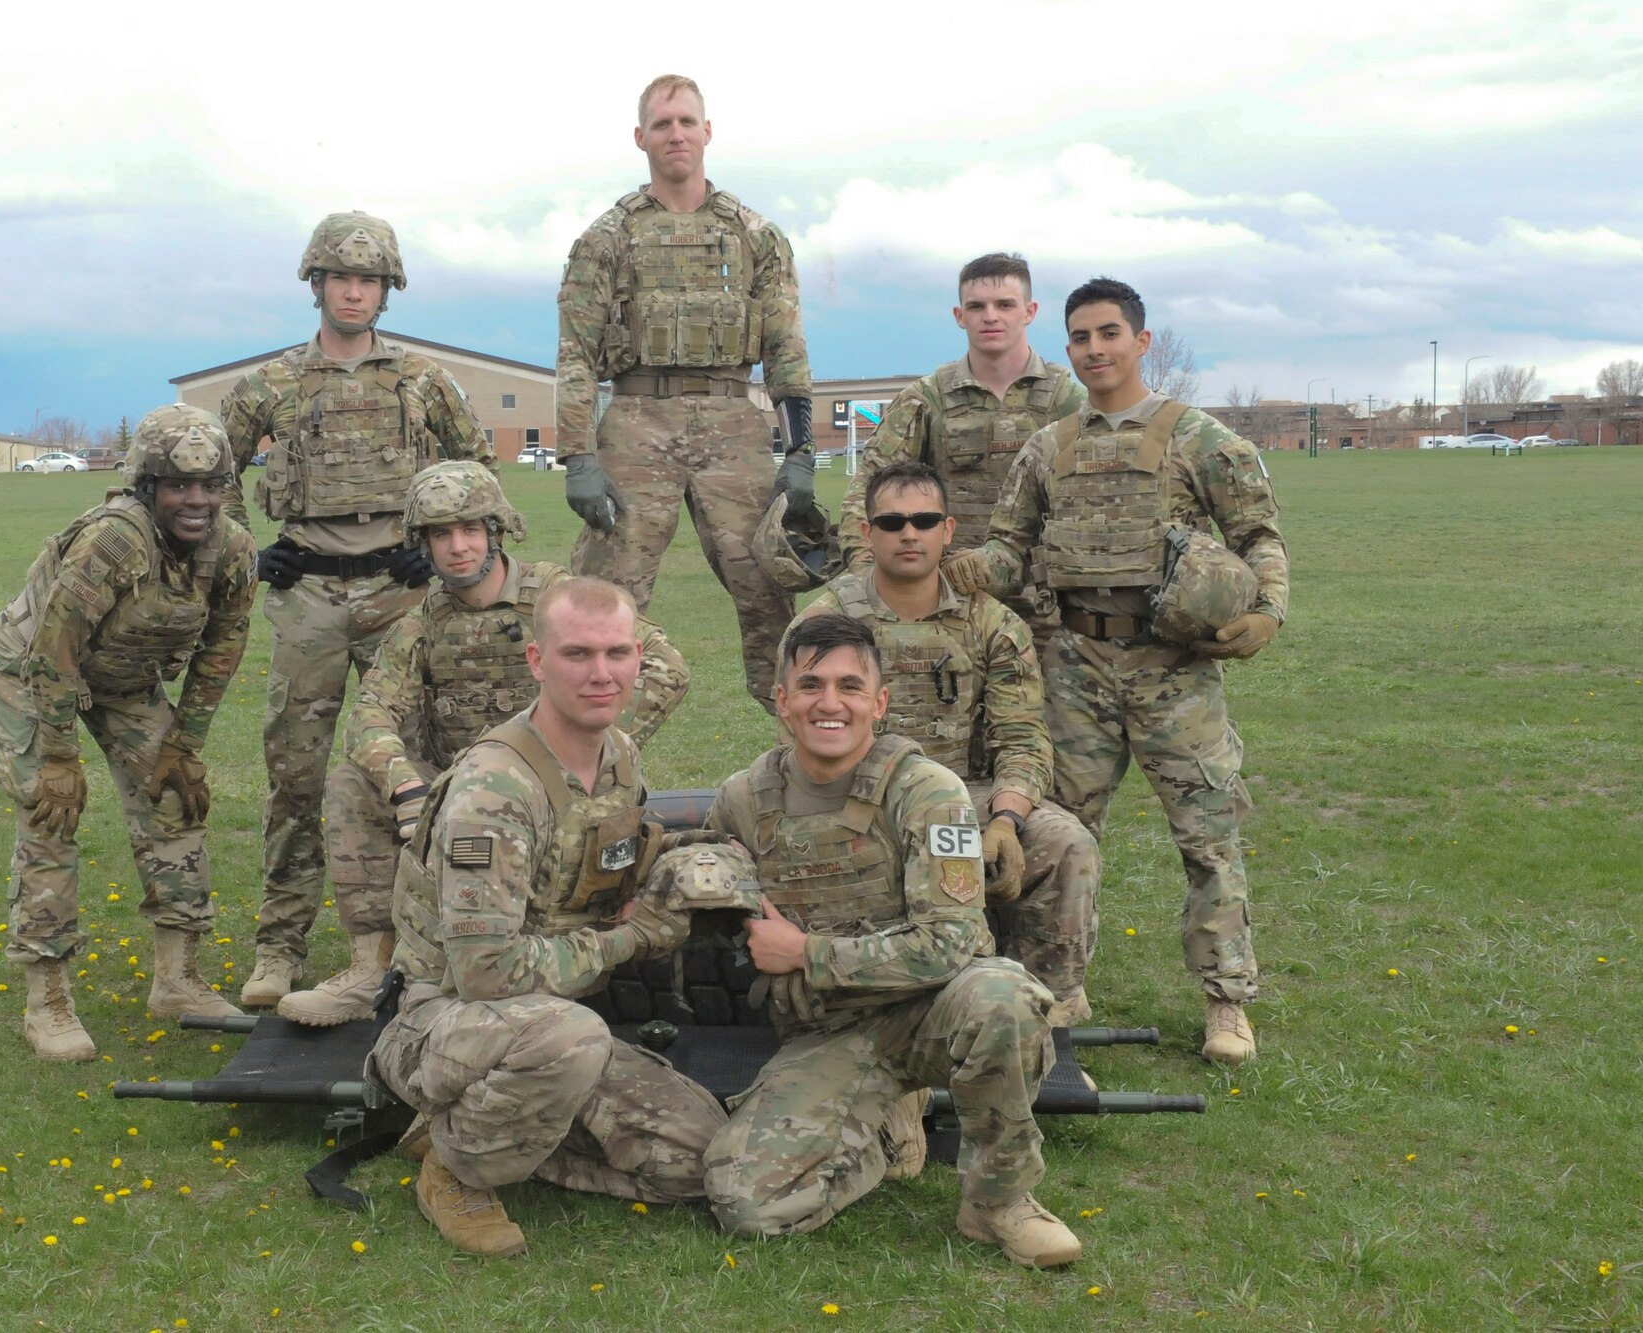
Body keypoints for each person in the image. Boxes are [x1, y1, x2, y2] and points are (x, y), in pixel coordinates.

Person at [945, 276, 1289, 1065]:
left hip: (1173, 668)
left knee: (1208, 834)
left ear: (1141, 340)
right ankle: (1055, 987)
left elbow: (1258, 533)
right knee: (1057, 835)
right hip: (1074, 664)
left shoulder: (1197, 438)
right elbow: (1009, 548)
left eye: (1108, 334)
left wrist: (1267, 610)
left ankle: (1226, 1000)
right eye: (1080, 337)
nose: (1094, 350)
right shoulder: (1051, 447)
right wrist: (948, 569)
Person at [700, 614, 1080, 1268]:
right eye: (810, 683)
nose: (829, 702)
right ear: (781, 698)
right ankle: (875, 1129)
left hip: (931, 1013)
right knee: (750, 1205)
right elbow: (710, 881)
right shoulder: (744, 798)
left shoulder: (930, 792)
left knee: (1004, 996)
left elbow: (953, 942)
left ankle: (999, 1199)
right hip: (827, 1033)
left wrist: (806, 953)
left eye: (850, 685)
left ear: (878, 702)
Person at [367, 577, 725, 1258]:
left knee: (699, 1158)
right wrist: (628, 938)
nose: (602, 673)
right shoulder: (495, 790)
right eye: (578, 654)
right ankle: (457, 1167)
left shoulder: (617, 755)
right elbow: (488, 973)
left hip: (548, 1014)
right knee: (570, 1038)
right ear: (537, 661)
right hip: (444, 1017)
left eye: (619, 653)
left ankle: (488, 1128)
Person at [277, 461, 692, 1024]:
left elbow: (664, 665)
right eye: (441, 534)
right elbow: (371, 711)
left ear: (496, 532)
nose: (458, 547)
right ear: (422, 543)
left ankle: (554, 947)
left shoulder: (553, 599)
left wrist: (597, 746)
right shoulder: (425, 621)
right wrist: (404, 784)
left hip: (557, 782)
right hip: (463, 791)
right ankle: (374, 967)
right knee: (353, 781)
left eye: (471, 530)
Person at [217, 211, 494, 1008]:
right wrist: (247, 550)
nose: (352, 290)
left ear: (387, 290)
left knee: (408, 764)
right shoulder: (273, 383)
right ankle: (279, 946)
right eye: (339, 276)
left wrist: (435, 539)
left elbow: (477, 468)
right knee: (295, 773)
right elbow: (208, 469)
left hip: (401, 593)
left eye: (368, 279)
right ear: (316, 284)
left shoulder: (421, 379)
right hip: (308, 594)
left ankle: (413, 939)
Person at [0, 405, 255, 1061]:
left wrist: (184, 747)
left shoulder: (234, 551)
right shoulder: (114, 540)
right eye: (179, 485)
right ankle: (46, 998)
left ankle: (178, 979)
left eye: (210, 485)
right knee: (51, 816)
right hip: (36, 672)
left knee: (176, 802)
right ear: (148, 486)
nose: (196, 500)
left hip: (126, 675)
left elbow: (222, 649)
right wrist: (58, 756)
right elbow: (53, 651)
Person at [793, 460, 1098, 1022]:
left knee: (1064, 843)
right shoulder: (826, 621)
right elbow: (808, 738)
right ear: (867, 534)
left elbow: (1022, 738)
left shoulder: (993, 625)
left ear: (948, 531)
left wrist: (1006, 820)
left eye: (925, 520)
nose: (909, 534)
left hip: (968, 801)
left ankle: (1047, 1012)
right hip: (859, 803)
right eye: (892, 522)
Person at [556, 73, 816, 711]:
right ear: (641, 137)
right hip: (637, 421)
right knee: (606, 603)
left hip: (733, 423)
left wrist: (801, 450)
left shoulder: (756, 235)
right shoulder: (607, 237)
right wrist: (579, 456)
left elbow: (786, 346)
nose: (676, 134)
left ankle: (809, 765)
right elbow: (576, 353)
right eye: (663, 123)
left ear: (708, 132)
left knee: (770, 597)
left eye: (687, 122)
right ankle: (589, 773)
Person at [837, 252, 1085, 645]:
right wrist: (865, 579)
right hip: (948, 604)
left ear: (1030, 311)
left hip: (1047, 610)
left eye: (1005, 305)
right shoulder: (927, 399)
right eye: (977, 306)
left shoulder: (1067, 399)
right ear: (959, 315)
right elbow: (866, 493)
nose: (991, 316)